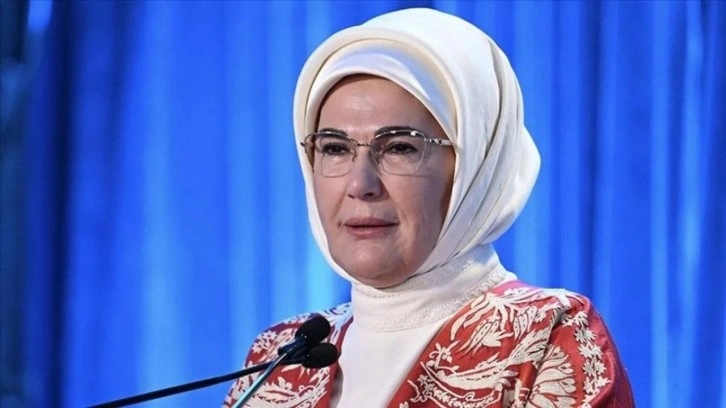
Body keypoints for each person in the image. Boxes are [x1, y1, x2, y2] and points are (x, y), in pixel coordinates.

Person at [223, 8, 634, 408]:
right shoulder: (280, 358)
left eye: (400, 147)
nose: (360, 185)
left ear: (475, 168)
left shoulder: (546, 339)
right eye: (334, 148)